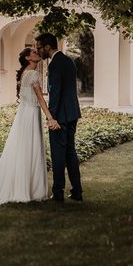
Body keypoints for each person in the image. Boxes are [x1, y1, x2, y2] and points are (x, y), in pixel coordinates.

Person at [0, 48, 57, 205]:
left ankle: (25, 187)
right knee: (30, 148)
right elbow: (40, 98)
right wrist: (50, 118)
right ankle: (30, 190)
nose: (37, 53)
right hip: (31, 113)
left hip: (23, 114)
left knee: (23, 149)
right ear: (28, 58)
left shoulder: (25, 72)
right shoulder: (32, 74)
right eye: (33, 52)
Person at [35, 33, 83, 202]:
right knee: (70, 152)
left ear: (48, 47)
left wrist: (51, 118)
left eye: (39, 47)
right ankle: (77, 191)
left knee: (58, 155)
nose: (37, 50)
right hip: (73, 113)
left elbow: (55, 93)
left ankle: (58, 192)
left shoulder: (55, 64)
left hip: (60, 116)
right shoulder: (68, 60)